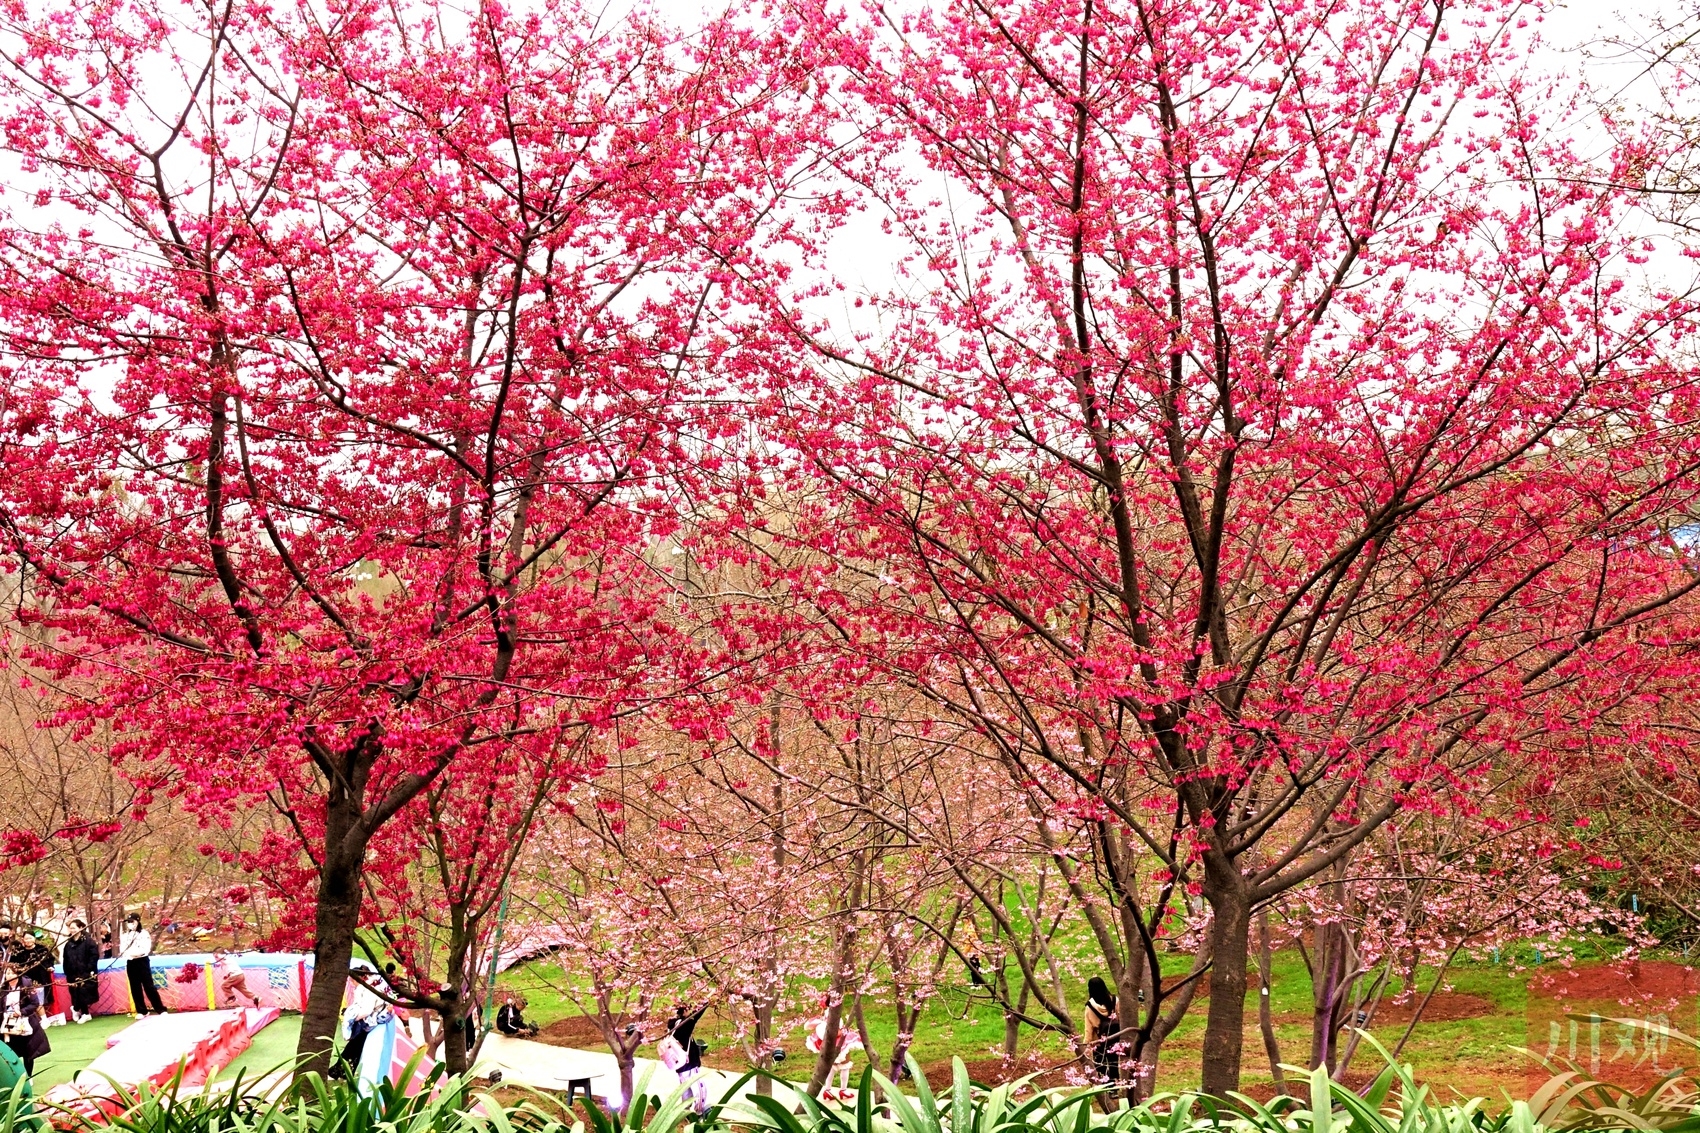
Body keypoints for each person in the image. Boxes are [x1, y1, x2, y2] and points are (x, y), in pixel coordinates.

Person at [803, 996, 862, 1102]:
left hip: (827, 1044)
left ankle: (828, 1090)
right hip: (838, 1043)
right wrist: (846, 1029)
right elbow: (836, 1032)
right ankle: (843, 1090)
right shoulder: (836, 1016)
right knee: (845, 1066)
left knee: (832, 1066)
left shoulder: (825, 1013)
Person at [656, 1003, 709, 1113]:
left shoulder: (672, 1024)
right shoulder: (685, 1024)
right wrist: (707, 1002)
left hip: (679, 1063)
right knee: (698, 1088)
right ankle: (699, 1111)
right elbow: (697, 1014)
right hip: (689, 1062)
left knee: (685, 1088)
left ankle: (684, 1112)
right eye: (688, 1009)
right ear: (684, 1011)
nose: (690, 1011)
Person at [0, 969, 49, 1076]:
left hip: (25, 1022)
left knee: (28, 1051)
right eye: (8, 973)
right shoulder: (3, 988)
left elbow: (35, 1003)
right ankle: (15, 1076)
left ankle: (29, 1075)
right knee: (10, 1052)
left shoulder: (26, 986)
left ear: (18, 974)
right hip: (8, 1023)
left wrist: (21, 1012)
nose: (10, 975)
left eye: (12, 973)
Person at [118, 913, 166, 1016]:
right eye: (128, 922)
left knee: (149, 986)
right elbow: (123, 950)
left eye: (132, 921)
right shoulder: (125, 935)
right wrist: (130, 953)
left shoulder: (144, 934)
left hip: (142, 961)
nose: (130, 924)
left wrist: (133, 952)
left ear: (138, 921)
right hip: (131, 962)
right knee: (135, 987)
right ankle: (141, 1010)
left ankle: (160, 1009)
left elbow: (145, 949)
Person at [62, 920, 99, 1024]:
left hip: (86, 972)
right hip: (73, 973)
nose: (72, 930)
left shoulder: (88, 941)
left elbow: (94, 956)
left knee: (84, 991)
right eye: (70, 928)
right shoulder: (68, 944)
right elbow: (66, 959)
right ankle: (79, 1010)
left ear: (81, 928)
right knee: (75, 992)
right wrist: (68, 973)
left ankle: (83, 1012)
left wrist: (89, 969)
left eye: (74, 927)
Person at [1083, 977, 1118, 1084]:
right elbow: (1120, 1017)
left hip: (1098, 1040)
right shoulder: (1115, 1000)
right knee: (1114, 1063)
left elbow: (1088, 1029)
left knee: (1100, 1063)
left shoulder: (1090, 1006)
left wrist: (1086, 1045)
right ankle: (1113, 1085)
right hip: (1114, 1037)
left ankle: (1103, 1085)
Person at [12, 934, 53, 1010]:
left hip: (42, 977)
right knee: (29, 998)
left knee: (43, 998)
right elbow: (15, 964)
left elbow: (50, 960)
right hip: (26, 978)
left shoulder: (42, 949)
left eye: (30, 938)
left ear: (34, 938)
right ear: (23, 939)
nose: (28, 940)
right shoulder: (20, 952)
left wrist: (50, 967)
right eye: (26, 939)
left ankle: (44, 1016)